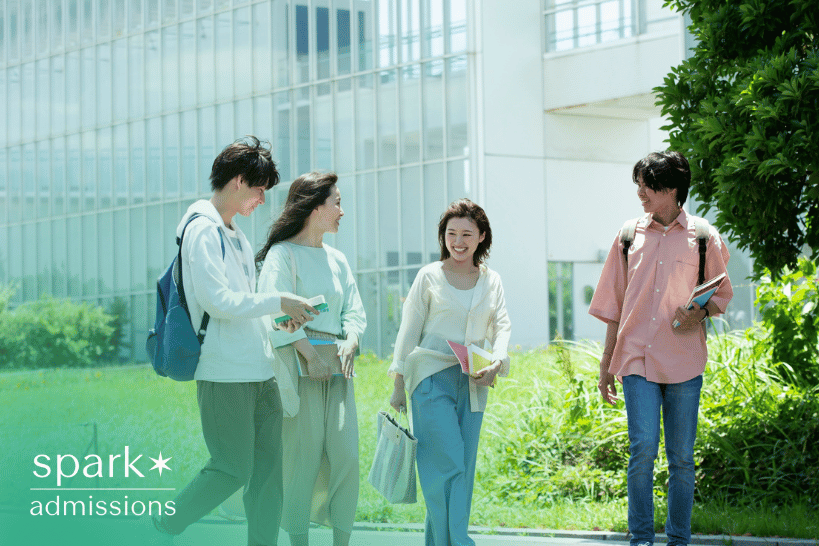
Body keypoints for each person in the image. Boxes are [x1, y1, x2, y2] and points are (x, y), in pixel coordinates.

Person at [151, 137, 318, 545]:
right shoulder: (202, 232)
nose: (263, 199)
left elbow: (246, 303)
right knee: (231, 468)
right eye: (260, 190)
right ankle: (165, 523)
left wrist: (278, 319)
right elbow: (218, 301)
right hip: (222, 372)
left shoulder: (237, 235)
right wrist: (277, 299)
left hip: (259, 370)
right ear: (240, 181)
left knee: (267, 475)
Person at [589, 151, 734, 546]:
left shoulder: (703, 235)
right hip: (636, 356)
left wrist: (698, 315)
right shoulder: (627, 236)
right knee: (642, 449)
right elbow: (612, 304)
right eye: (638, 184)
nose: (640, 192)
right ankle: (640, 540)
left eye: (647, 184)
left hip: (684, 359)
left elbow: (720, 293)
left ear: (672, 189)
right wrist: (606, 365)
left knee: (682, 460)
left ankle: (678, 541)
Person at [389, 198, 512, 546]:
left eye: (466, 234)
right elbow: (408, 332)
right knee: (446, 464)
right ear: (442, 236)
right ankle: (459, 540)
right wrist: (398, 385)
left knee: (462, 471)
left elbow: (502, 326)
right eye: (451, 233)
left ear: (481, 237)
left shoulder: (492, 281)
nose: (458, 242)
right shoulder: (429, 276)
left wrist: (497, 363)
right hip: (429, 380)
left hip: (474, 382)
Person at [255, 172, 367, 546]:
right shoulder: (282, 254)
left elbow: (354, 308)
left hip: (338, 368)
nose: (342, 211)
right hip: (299, 368)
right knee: (301, 460)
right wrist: (309, 357)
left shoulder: (337, 259)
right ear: (315, 207)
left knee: (346, 456)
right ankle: (299, 540)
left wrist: (351, 338)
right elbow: (272, 310)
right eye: (336, 202)